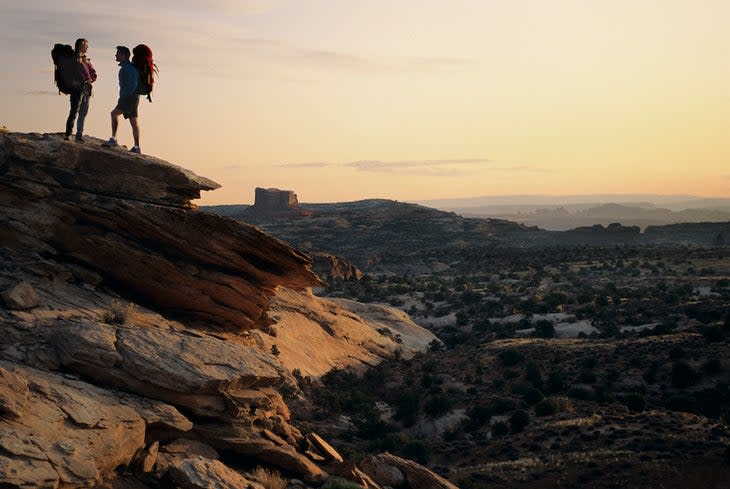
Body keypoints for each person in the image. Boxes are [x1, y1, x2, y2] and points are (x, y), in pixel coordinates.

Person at [102, 46, 141, 153]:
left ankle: (113, 139)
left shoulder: (127, 68)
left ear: (123, 55)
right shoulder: (132, 67)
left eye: (117, 53)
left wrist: (125, 96)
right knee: (134, 122)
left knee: (114, 114)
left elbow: (132, 84)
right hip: (135, 98)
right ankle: (137, 147)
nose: (116, 55)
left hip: (128, 98)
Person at [64, 38, 96, 142]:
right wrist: (72, 82)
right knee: (74, 111)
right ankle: (68, 134)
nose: (87, 47)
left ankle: (79, 135)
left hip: (86, 89)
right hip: (77, 89)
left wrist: (90, 79)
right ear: (81, 46)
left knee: (83, 113)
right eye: (86, 45)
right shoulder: (74, 59)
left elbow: (94, 74)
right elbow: (66, 73)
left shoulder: (86, 60)